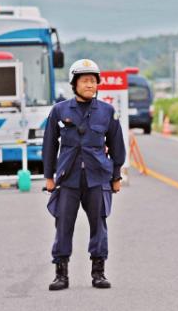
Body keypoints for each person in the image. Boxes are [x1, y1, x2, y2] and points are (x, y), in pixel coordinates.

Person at [42, 58, 126, 291]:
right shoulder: (59, 110)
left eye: (93, 81)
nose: (90, 85)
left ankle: (98, 272)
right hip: (68, 177)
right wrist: (49, 176)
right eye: (85, 80)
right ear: (74, 83)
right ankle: (61, 273)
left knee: (99, 224)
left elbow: (117, 146)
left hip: (98, 177)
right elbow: (50, 145)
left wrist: (116, 177)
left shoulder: (107, 112)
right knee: (63, 224)